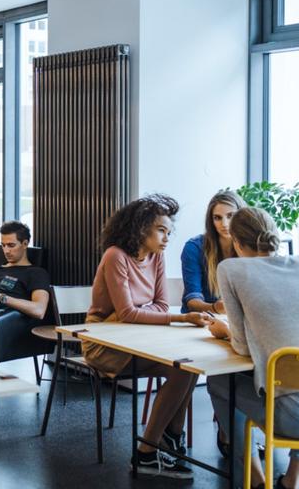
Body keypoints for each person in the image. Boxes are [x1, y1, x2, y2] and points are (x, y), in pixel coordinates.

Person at [81, 194, 212, 480]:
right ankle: (149, 452)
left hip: (139, 336)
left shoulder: (157, 256)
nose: (166, 238)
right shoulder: (115, 255)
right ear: (141, 229)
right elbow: (128, 313)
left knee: (188, 368)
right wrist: (180, 317)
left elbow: (159, 306)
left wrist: (137, 313)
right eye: (161, 230)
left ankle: (166, 441)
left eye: (169, 232)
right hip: (104, 343)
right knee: (182, 370)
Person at [206, 207, 299, 489]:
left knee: (219, 381)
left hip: (292, 419)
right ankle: (292, 479)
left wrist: (224, 331)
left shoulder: (231, 269)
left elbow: (240, 347)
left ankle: (257, 479)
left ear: (237, 242)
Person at [180, 190, 246, 313]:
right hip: (200, 318)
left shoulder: (250, 247)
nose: (224, 224)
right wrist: (215, 308)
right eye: (217, 218)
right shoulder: (194, 248)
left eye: (230, 216)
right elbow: (192, 300)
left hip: (235, 319)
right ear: (211, 221)